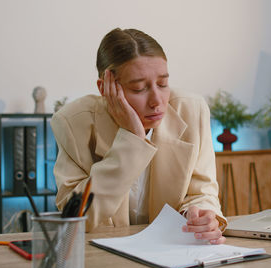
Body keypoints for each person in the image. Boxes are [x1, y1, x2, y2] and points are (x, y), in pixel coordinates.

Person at [51, 28, 227, 244]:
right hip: (103, 260)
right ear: (105, 88)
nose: (157, 100)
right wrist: (132, 139)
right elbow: (76, 218)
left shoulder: (192, 110)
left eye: (163, 84)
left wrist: (201, 216)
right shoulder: (72, 123)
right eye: (139, 88)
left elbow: (203, 191)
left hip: (170, 253)